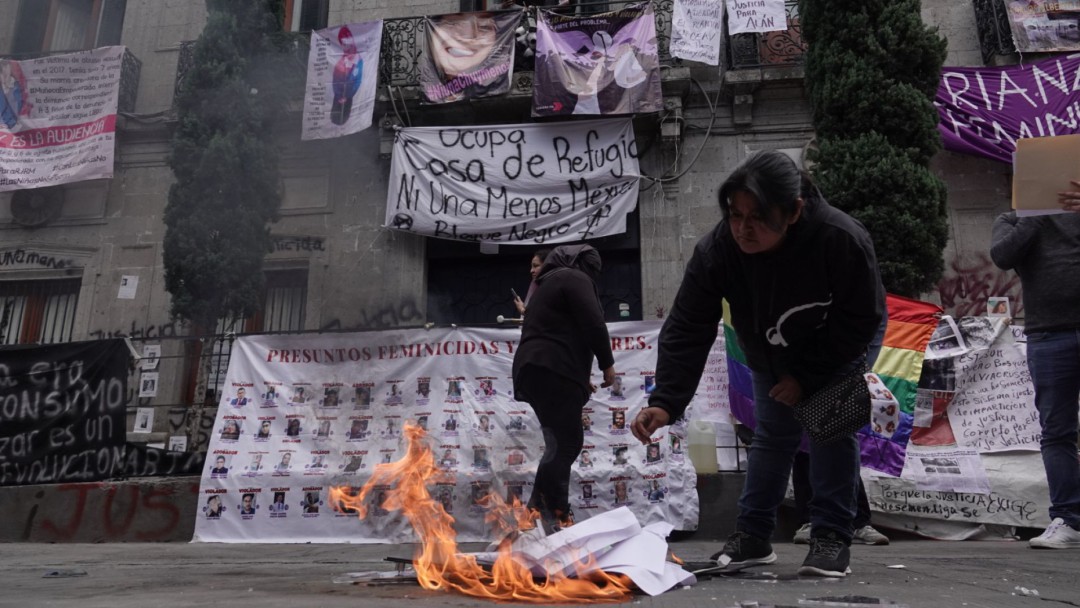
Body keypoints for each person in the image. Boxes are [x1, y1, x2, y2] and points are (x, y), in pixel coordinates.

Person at [632, 151, 886, 577]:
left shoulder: (840, 238)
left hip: (836, 345)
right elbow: (688, 325)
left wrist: (804, 378)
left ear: (793, 212)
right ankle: (752, 536)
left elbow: (859, 319)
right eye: (735, 215)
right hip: (771, 348)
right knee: (773, 434)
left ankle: (830, 536)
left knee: (829, 429)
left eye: (758, 217)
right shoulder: (718, 250)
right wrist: (667, 400)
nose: (743, 229)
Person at [990, 179, 1080, 549]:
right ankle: (1068, 519)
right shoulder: (1012, 220)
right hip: (1048, 336)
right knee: (1056, 431)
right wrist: (1035, 215)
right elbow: (1002, 256)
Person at [512, 244, 616, 532]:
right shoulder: (572, 277)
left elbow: (555, 331)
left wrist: (578, 377)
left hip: (536, 371)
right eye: (591, 270)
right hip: (552, 369)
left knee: (558, 444)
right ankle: (554, 514)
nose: (592, 276)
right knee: (568, 444)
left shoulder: (546, 286)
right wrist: (607, 363)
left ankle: (536, 514)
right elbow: (594, 323)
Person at [330, 25, 363, 126]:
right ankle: (335, 117)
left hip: (348, 95)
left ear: (352, 39)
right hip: (338, 94)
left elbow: (357, 81)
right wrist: (339, 94)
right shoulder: (341, 60)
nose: (345, 43)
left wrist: (347, 95)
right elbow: (334, 80)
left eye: (347, 38)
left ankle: (344, 118)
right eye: (342, 42)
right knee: (337, 110)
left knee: (344, 110)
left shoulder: (358, 59)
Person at [514, 249, 551, 316]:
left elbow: (542, 317)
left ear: (546, 266)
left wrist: (522, 309)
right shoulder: (536, 285)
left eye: (536, 266)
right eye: (531, 266)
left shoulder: (553, 288)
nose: (531, 271)